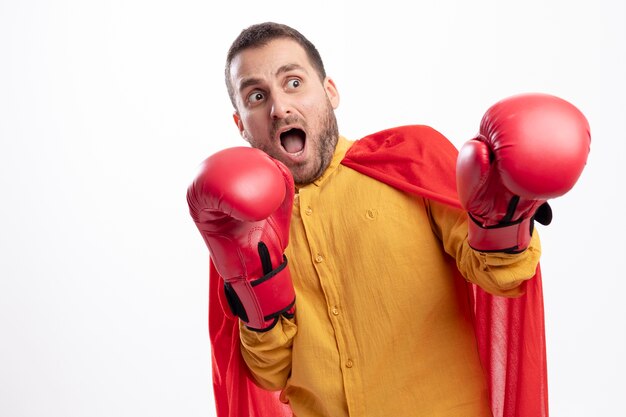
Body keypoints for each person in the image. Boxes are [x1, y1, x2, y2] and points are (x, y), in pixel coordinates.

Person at [187, 22, 590, 417]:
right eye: (256, 96)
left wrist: (503, 218)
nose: (279, 107)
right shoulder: (244, 227)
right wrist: (259, 294)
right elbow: (271, 372)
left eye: (293, 82)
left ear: (329, 91)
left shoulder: (410, 160)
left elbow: (501, 276)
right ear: (240, 123)